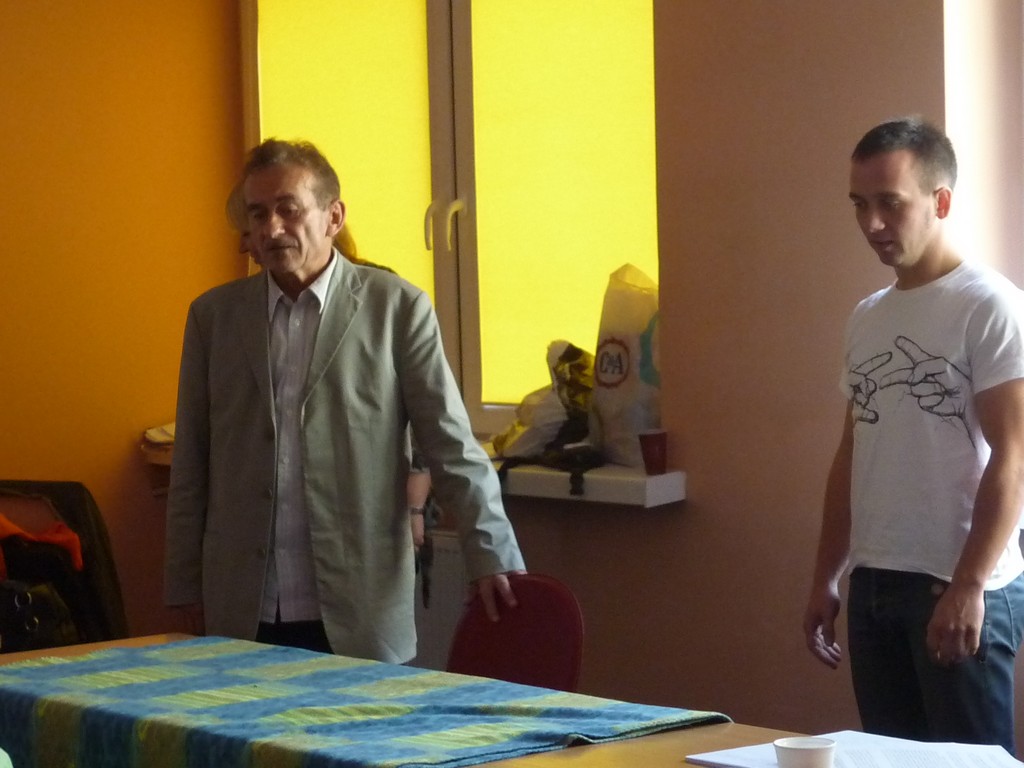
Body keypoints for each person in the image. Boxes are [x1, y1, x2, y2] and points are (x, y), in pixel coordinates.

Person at [164, 138, 525, 663]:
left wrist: (491, 552)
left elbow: (449, 441)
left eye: (288, 209)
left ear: (333, 216)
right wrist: (182, 583)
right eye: (258, 214)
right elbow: (191, 463)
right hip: (243, 604)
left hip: (359, 604)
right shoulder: (213, 318)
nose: (271, 228)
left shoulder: (397, 308)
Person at [802, 117, 1024, 751]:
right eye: (859, 204)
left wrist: (968, 585)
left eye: (889, 203)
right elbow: (854, 452)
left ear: (940, 201)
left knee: (968, 767)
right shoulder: (868, 317)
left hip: (955, 583)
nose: (871, 223)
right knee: (888, 761)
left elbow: (1014, 456)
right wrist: (826, 575)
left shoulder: (990, 305)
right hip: (876, 582)